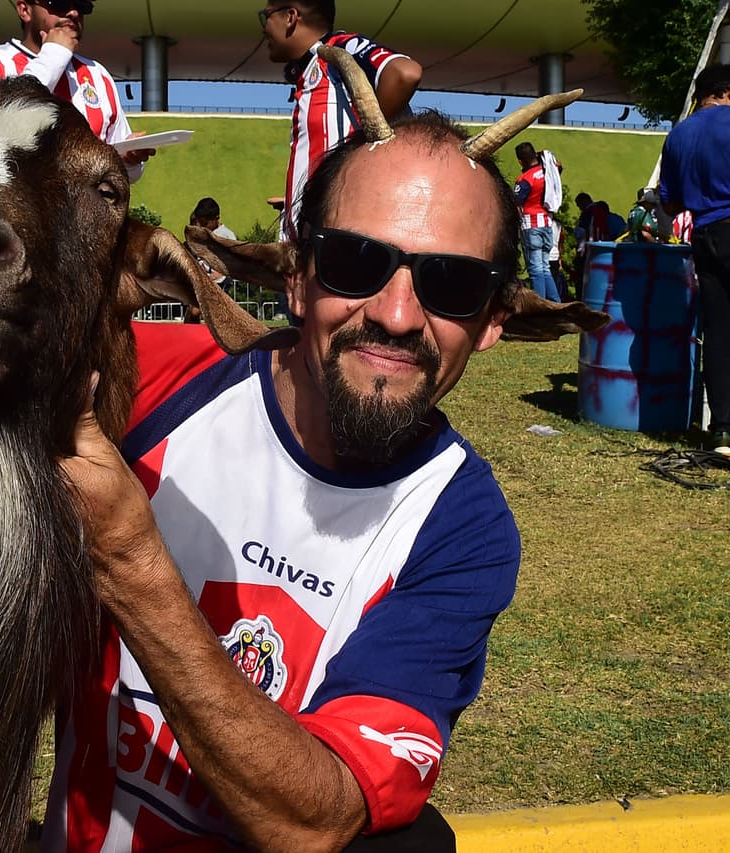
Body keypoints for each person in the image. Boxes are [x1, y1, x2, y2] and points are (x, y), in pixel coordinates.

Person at [48, 107, 559, 850]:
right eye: (355, 261)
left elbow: (315, 820)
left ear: (491, 321)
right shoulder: (158, 381)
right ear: (294, 277)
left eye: (450, 283)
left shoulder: (460, 525)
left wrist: (128, 561)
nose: (396, 314)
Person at [260, 0, 421, 242]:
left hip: (336, 248)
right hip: (306, 250)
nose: (263, 28)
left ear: (290, 17)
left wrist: (355, 153)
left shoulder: (340, 48)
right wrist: (295, 198)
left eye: (266, 16)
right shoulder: (311, 69)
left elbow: (404, 73)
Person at [0, 0, 152, 182]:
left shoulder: (98, 74)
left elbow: (126, 174)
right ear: (25, 10)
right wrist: (54, 56)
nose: (74, 13)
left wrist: (129, 159)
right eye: (59, 3)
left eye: (81, 5)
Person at [659, 63, 730, 455]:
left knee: (719, 333)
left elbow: (670, 201)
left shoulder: (678, 136)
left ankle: (723, 431)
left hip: (704, 236)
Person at [512, 141, 561, 303]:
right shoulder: (548, 172)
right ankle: (555, 302)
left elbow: (516, 203)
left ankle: (540, 305)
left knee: (535, 270)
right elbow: (559, 166)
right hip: (547, 224)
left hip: (531, 225)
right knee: (545, 267)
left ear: (520, 161)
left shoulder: (525, 179)